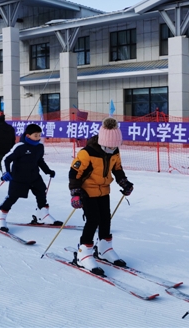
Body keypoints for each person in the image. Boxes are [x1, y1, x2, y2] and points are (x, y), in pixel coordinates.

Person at [68, 117, 134, 275]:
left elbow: (117, 169)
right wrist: (75, 193)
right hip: (87, 191)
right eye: (109, 146)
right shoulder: (87, 153)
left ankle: (105, 249)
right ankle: (83, 253)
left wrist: (124, 183)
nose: (112, 149)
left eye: (115, 146)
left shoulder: (115, 151)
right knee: (93, 220)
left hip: (104, 190)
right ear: (102, 141)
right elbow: (74, 174)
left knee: (105, 218)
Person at [0, 124, 57, 231]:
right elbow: (6, 159)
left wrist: (48, 171)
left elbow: (40, 160)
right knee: (12, 197)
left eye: (39, 135)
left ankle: (42, 215)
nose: (38, 137)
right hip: (19, 178)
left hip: (34, 176)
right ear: (28, 135)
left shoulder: (40, 146)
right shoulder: (20, 146)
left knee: (41, 192)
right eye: (35, 135)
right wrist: (5, 172)